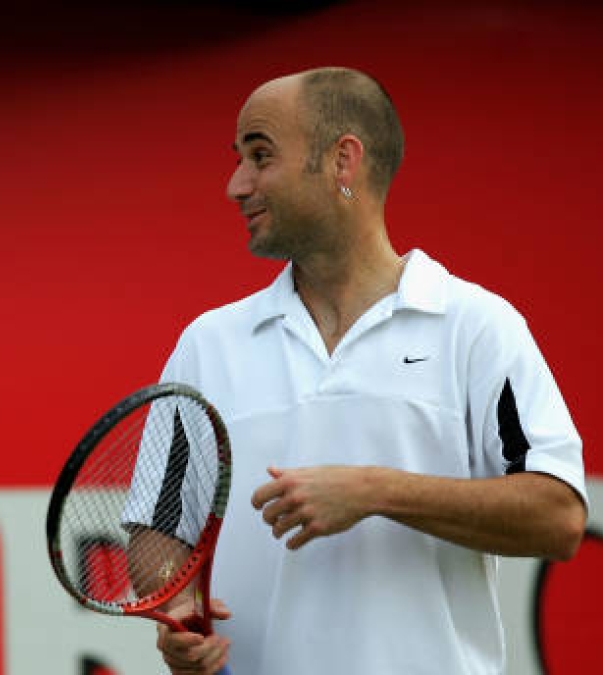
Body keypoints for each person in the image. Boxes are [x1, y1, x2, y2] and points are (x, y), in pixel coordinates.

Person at [150, 67, 587, 675]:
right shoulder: (206, 343)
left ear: (342, 161)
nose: (236, 184)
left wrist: (374, 491)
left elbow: (559, 516)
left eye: (261, 155)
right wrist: (178, 615)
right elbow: (159, 530)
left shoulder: (476, 325)